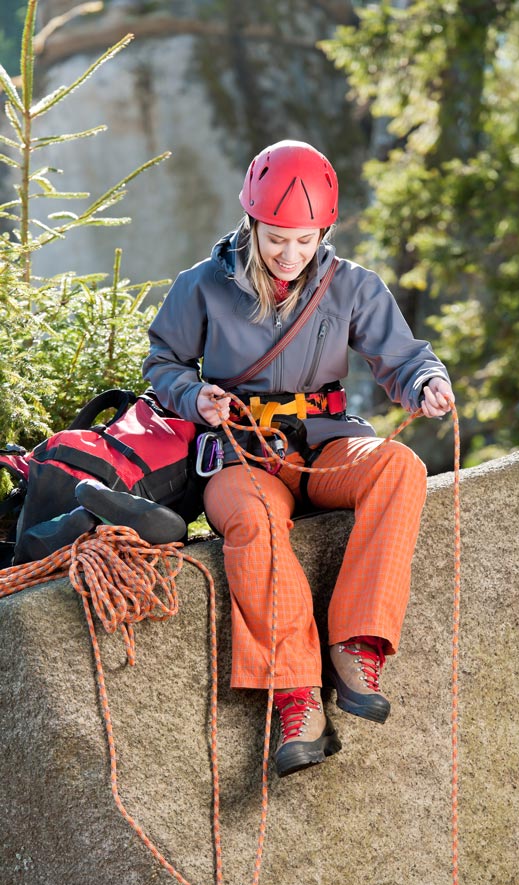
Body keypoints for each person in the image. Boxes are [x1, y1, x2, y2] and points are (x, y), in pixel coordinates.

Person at [143, 140, 454, 777]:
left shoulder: (353, 288)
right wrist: (191, 393)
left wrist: (426, 381)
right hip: (242, 453)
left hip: (326, 443)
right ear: (252, 223)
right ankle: (296, 697)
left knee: (400, 468)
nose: (290, 256)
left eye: (306, 241)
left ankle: (355, 644)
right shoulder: (200, 288)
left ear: (324, 232)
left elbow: (401, 357)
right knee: (252, 521)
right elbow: (162, 365)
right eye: (277, 239)